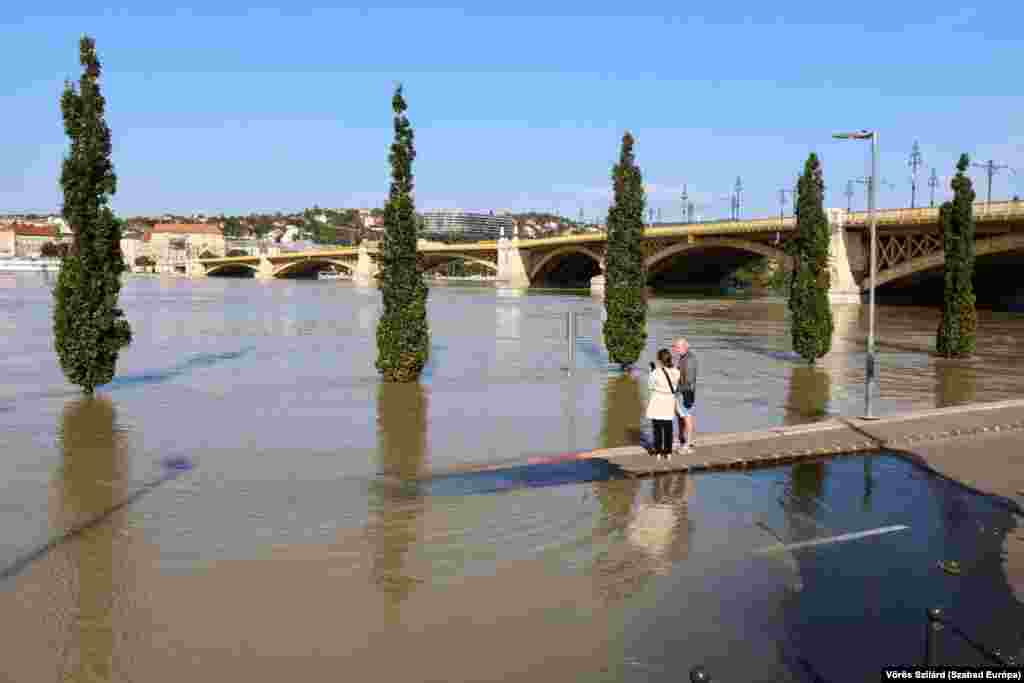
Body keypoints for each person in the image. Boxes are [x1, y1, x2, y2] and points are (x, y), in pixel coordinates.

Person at [646, 348, 680, 460]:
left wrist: (651, 372)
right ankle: (668, 452)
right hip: (669, 400)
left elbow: (650, 387)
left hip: (658, 400)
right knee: (668, 427)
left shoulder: (655, 372)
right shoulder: (676, 372)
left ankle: (659, 452)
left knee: (657, 428)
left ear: (659, 360)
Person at [672, 338, 698, 454]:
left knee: (687, 417)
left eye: (678, 347)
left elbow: (689, 381)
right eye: (675, 347)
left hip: (686, 394)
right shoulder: (683, 358)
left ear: (685, 347)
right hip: (680, 393)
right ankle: (681, 439)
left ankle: (688, 445)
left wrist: (676, 389)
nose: (676, 350)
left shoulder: (690, 359)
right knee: (680, 417)